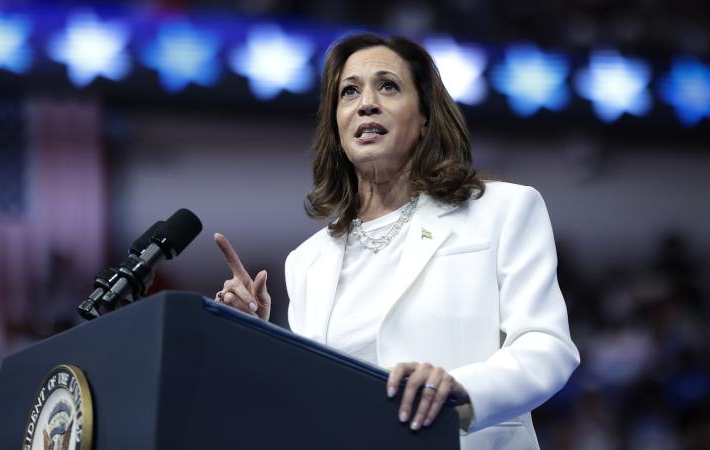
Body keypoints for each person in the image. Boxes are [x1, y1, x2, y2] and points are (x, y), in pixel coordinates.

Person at [213, 33, 579, 450]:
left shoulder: (505, 210)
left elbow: (547, 347)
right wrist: (258, 339)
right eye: (349, 91)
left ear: (424, 117)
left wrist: (460, 390)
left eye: (387, 85)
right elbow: (310, 398)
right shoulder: (307, 261)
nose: (366, 102)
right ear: (337, 122)